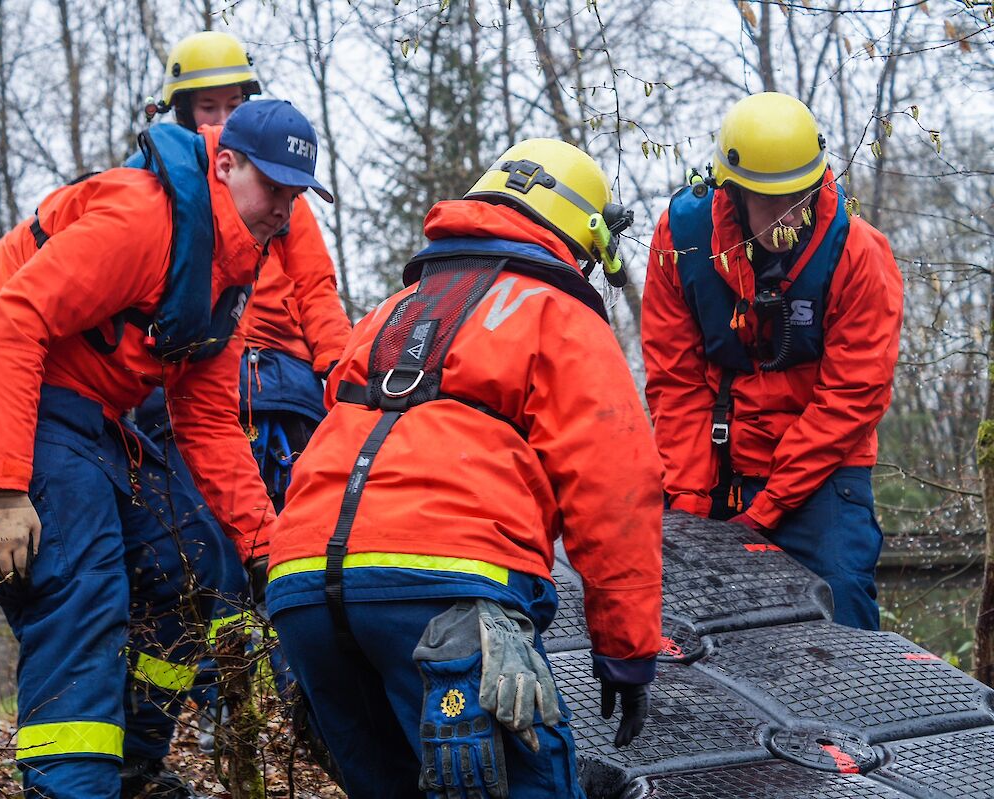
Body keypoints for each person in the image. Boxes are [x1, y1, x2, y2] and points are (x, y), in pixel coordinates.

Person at [0, 99, 332, 799]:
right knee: (84, 580)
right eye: (273, 187)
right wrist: (8, 491)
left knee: (193, 562)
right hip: (12, 394)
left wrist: (267, 549)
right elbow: (15, 320)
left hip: (89, 415)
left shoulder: (233, 270)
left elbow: (208, 418)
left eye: (296, 195)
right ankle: (69, 786)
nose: (284, 209)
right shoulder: (142, 220)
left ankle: (131, 767)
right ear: (225, 164)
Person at [262, 139, 664, 799]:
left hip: (301, 585)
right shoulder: (558, 312)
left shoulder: (390, 314)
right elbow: (617, 489)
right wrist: (626, 652)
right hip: (446, 589)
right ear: (579, 238)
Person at [641, 91, 903, 631]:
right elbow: (675, 379)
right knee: (676, 606)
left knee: (842, 595)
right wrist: (688, 502)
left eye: (799, 197)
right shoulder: (680, 240)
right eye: (769, 200)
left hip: (821, 471)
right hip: (714, 460)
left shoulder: (858, 252)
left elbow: (854, 396)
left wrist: (769, 507)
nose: (788, 215)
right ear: (731, 190)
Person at [141, 31, 352, 517]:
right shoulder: (158, 196)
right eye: (207, 108)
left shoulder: (285, 200)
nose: (221, 120)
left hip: (282, 374)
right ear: (183, 113)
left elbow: (317, 290)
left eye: (232, 106)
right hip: (194, 371)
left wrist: (342, 373)